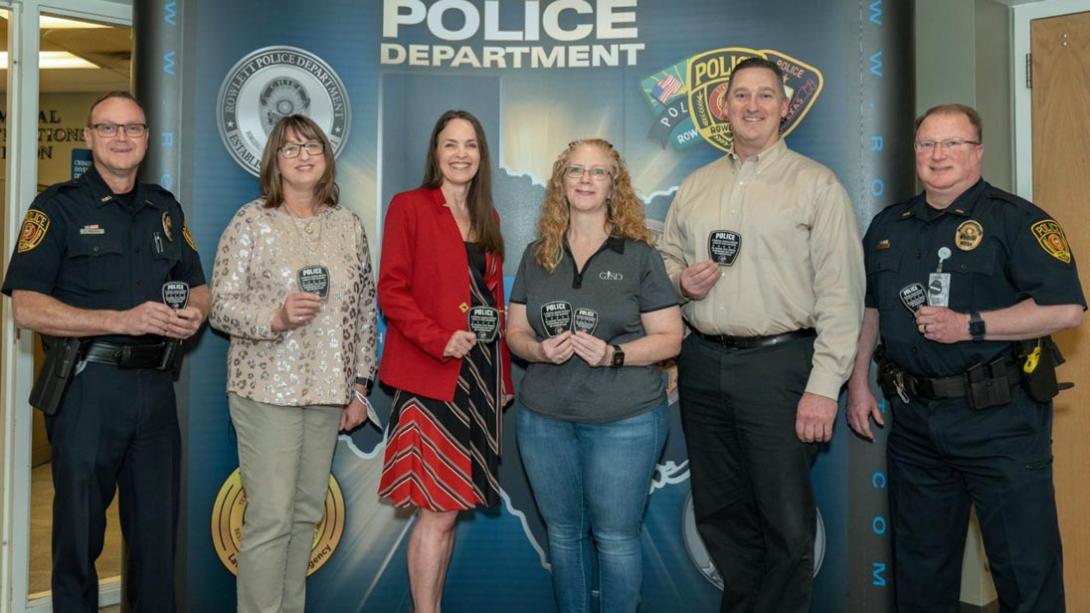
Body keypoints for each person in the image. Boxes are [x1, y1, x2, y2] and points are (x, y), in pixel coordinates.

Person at [846, 103, 1085, 612]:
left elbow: (1065, 310)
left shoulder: (1017, 220)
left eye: (952, 143)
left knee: (1025, 569)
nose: (938, 155)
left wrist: (970, 325)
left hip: (999, 419)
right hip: (914, 422)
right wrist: (859, 381)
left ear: (977, 152)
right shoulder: (890, 225)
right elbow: (871, 309)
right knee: (920, 570)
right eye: (928, 144)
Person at [657, 57, 864, 613]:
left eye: (765, 96)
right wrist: (681, 281)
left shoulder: (817, 186)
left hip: (781, 368)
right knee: (720, 513)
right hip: (702, 362)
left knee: (785, 521)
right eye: (741, 95)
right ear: (723, 106)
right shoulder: (696, 186)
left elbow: (842, 294)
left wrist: (824, 386)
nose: (752, 106)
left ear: (784, 107)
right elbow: (666, 258)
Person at [0, 91, 208, 612]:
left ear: (145, 139)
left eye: (133, 128)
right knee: (77, 541)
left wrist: (197, 312)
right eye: (109, 128)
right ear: (89, 136)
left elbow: (197, 284)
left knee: (157, 544)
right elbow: (25, 307)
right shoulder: (56, 207)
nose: (122, 138)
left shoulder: (164, 206)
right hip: (87, 391)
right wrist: (119, 320)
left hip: (156, 392)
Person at [207, 114, 378, 613]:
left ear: (326, 159)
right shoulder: (252, 221)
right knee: (270, 517)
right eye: (290, 148)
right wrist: (276, 317)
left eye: (313, 147)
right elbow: (220, 306)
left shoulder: (347, 225)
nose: (304, 155)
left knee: (305, 514)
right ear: (274, 163)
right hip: (265, 391)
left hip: (328, 392)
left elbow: (366, 310)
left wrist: (360, 385)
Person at [506, 139, 683, 612]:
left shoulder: (640, 255)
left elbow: (669, 338)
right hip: (545, 420)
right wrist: (539, 349)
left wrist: (614, 356)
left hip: (625, 420)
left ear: (613, 185)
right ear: (561, 183)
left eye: (598, 172)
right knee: (563, 537)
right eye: (575, 171)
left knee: (616, 538)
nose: (585, 180)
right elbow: (515, 333)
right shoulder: (536, 255)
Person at [376, 109, 513, 613]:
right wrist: (439, 339)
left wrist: (502, 377)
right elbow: (391, 290)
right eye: (451, 144)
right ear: (435, 152)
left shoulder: (489, 218)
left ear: (481, 155)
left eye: (471, 145)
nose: (461, 154)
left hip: (476, 378)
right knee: (436, 512)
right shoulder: (409, 206)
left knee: (449, 510)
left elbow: (492, 308)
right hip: (429, 374)